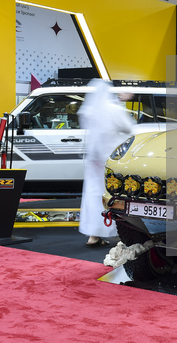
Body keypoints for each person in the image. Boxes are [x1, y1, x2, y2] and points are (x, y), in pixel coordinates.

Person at [77, 79, 133, 247]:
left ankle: (93, 236)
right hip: (110, 160)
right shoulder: (113, 109)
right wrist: (120, 102)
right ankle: (115, 232)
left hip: (93, 159)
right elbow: (128, 128)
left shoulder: (88, 111)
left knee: (93, 196)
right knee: (111, 195)